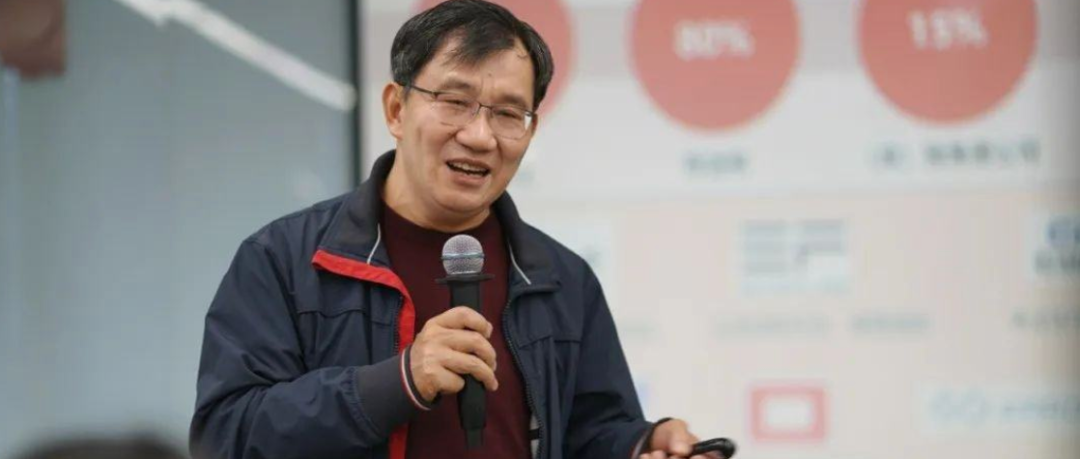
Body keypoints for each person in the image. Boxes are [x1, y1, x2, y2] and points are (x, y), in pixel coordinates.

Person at [190, 1, 715, 458]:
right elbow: (224, 436)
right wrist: (397, 383)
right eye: (455, 102)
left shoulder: (561, 279)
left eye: (508, 113)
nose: (480, 136)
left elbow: (589, 432)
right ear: (396, 109)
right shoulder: (284, 260)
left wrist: (640, 444)